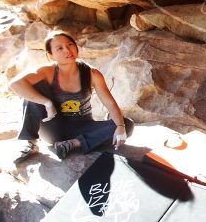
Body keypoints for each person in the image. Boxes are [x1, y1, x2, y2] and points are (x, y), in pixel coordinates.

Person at [9, 31, 134, 161]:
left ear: (76, 47)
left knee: (126, 125)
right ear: (51, 55)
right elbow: (15, 84)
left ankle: (73, 144)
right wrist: (47, 103)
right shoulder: (47, 71)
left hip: (83, 126)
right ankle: (31, 143)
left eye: (70, 45)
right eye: (60, 48)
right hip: (53, 127)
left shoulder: (92, 73)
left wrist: (119, 126)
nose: (67, 50)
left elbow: (110, 103)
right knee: (32, 89)